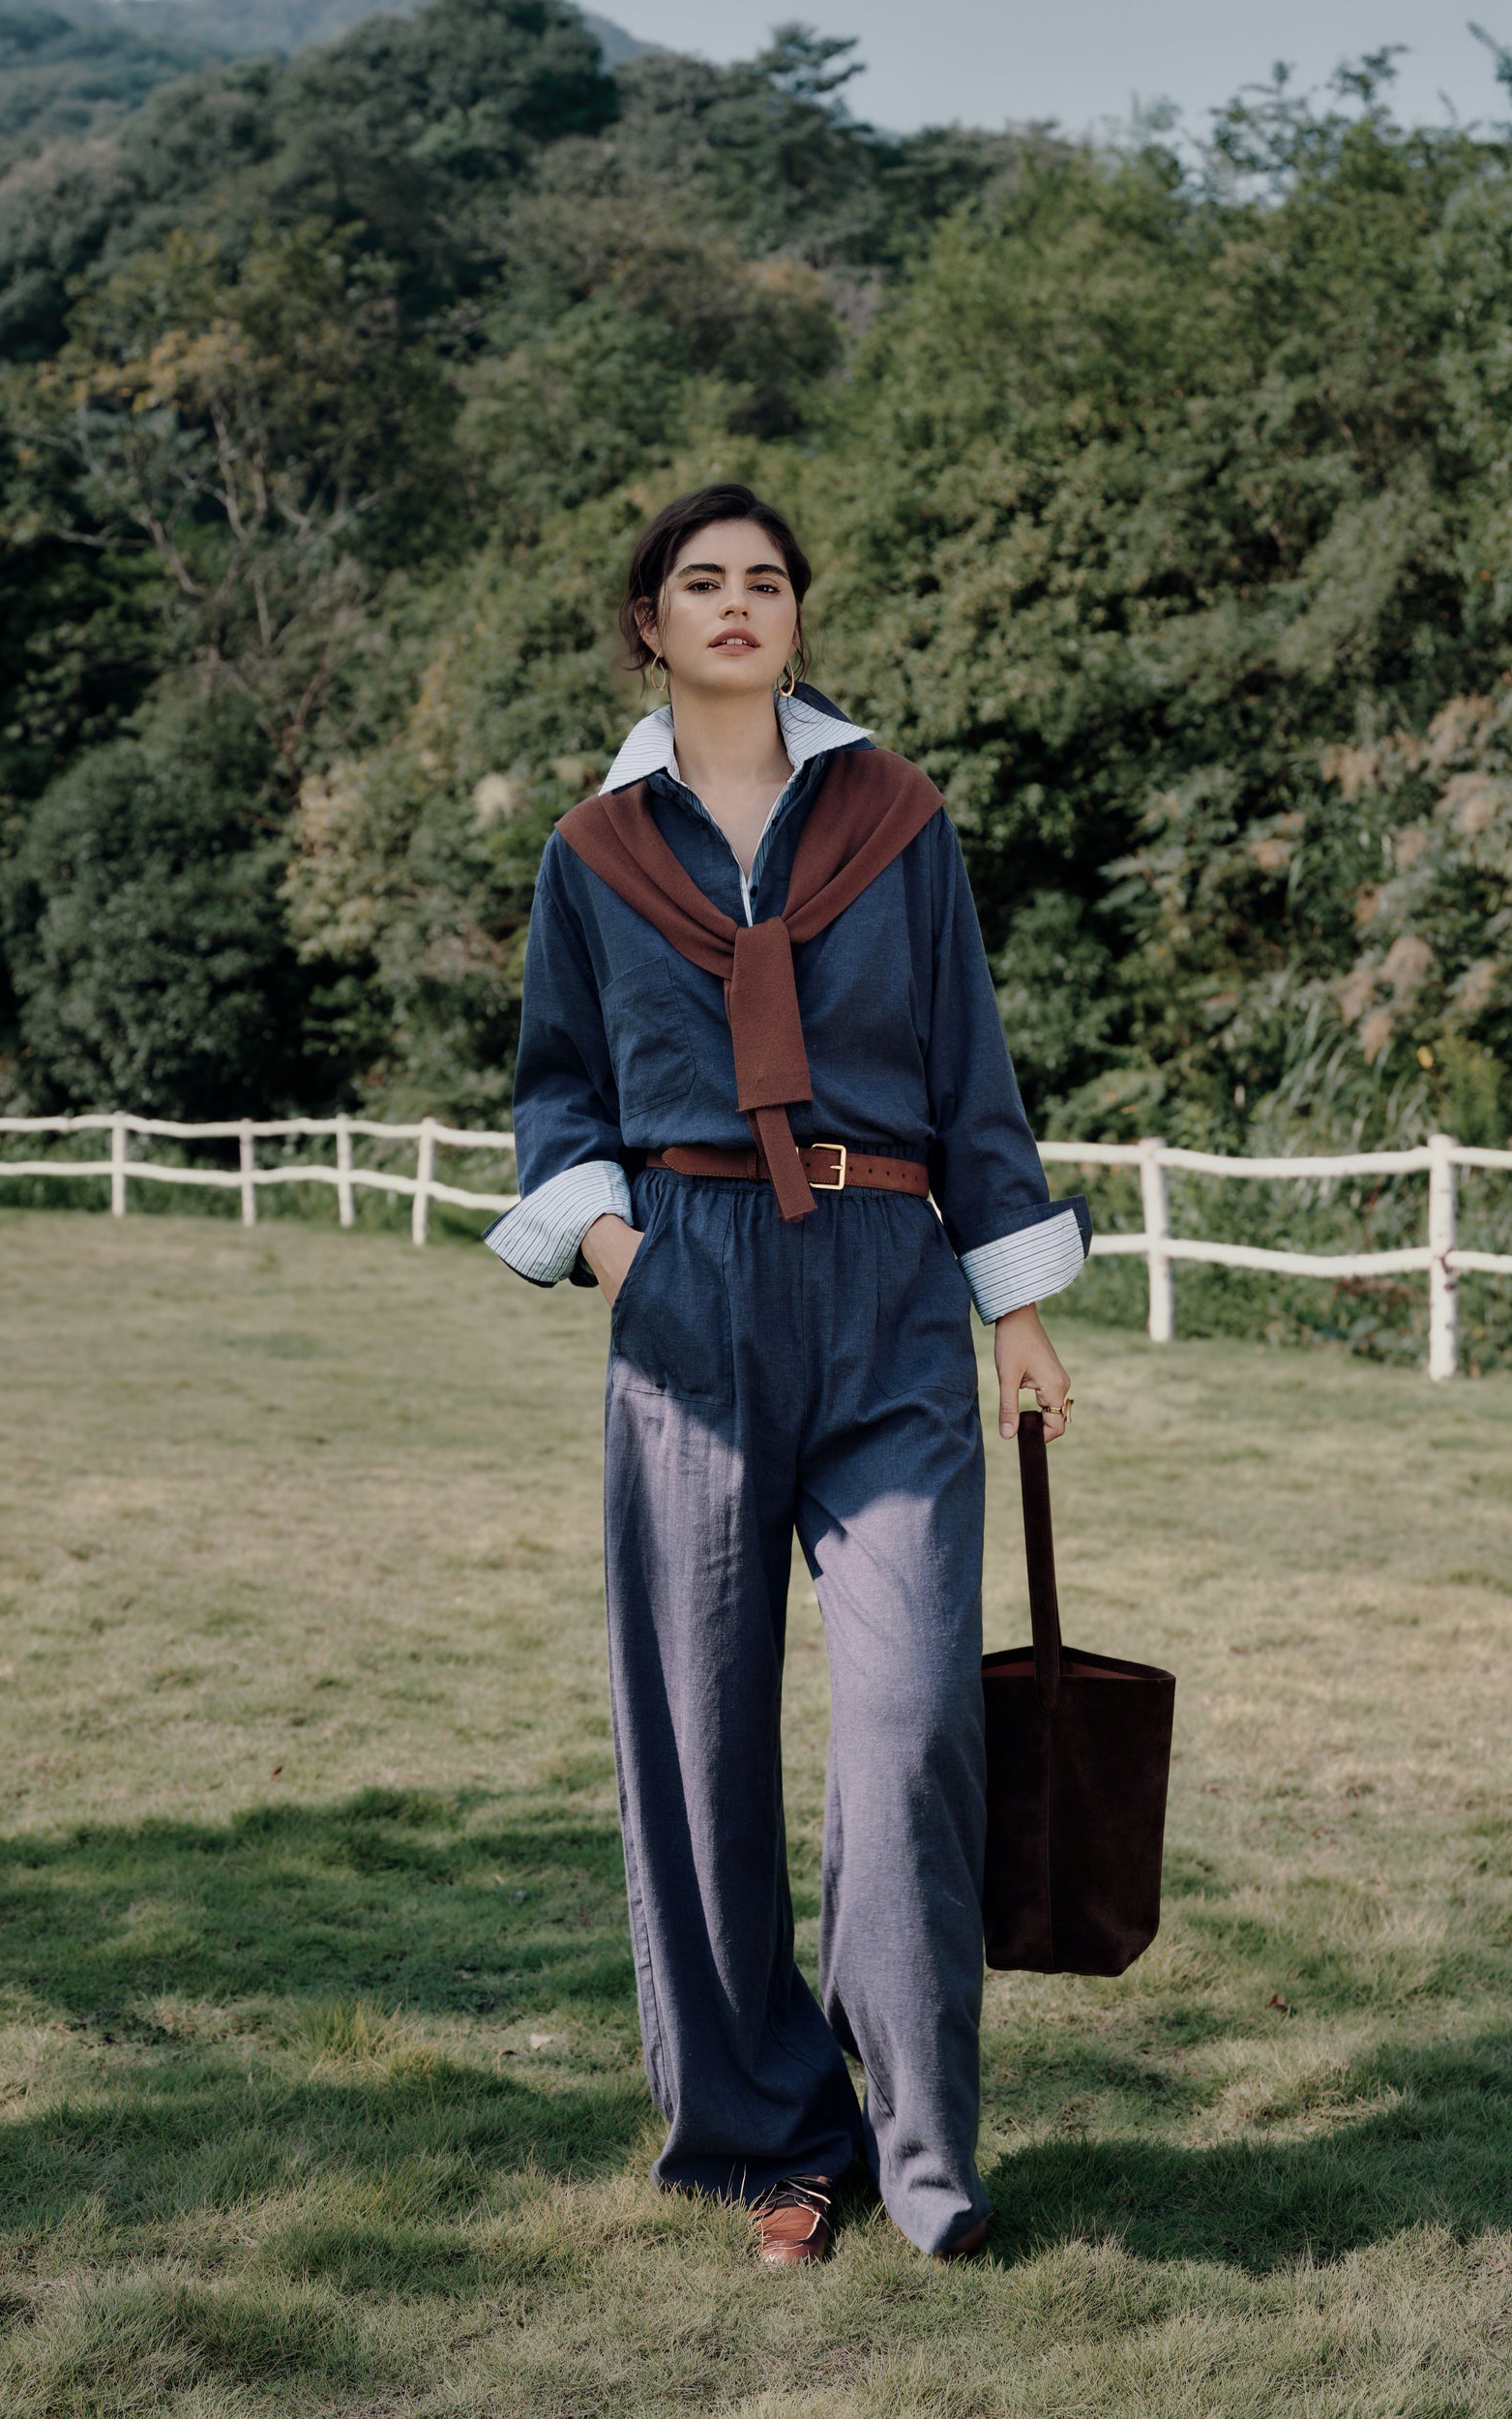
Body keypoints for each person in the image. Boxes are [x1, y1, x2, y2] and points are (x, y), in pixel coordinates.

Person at [485, 483, 1088, 2266]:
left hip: (890, 1278)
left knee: (911, 1724)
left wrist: (1021, 1309)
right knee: (699, 1730)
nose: (737, 605)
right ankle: (769, 2134)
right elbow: (554, 1097)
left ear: (797, 622)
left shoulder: (899, 824)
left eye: (766, 582)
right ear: (648, 626)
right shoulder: (592, 857)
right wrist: (624, 1261)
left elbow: (970, 1065)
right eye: (700, 583)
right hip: (689, 1283)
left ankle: (922, 2156)